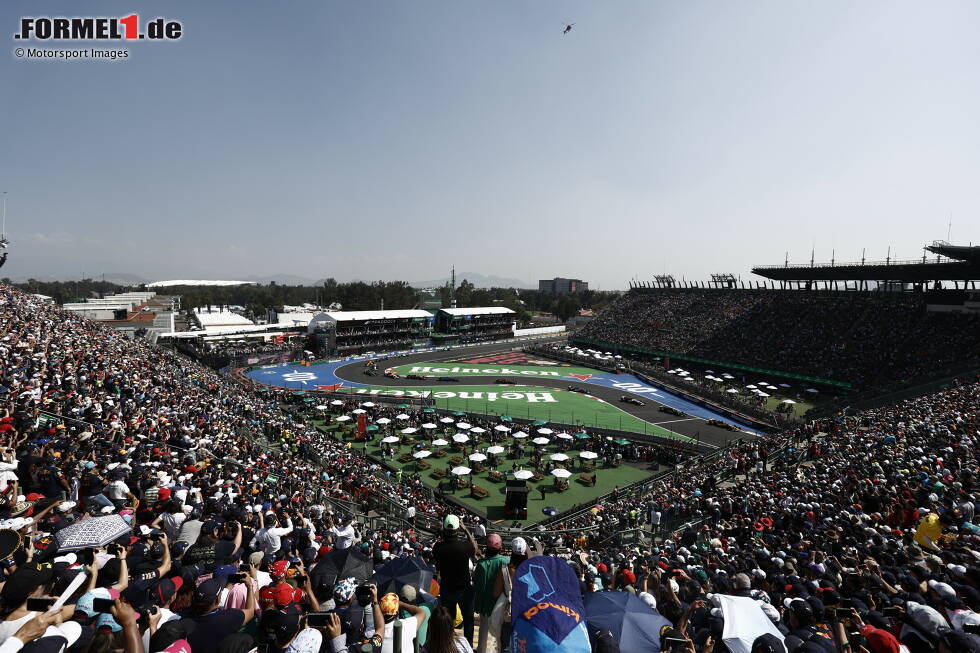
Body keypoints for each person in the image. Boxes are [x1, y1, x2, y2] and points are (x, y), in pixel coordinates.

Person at [432, 515, 479, 647]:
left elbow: (440, 547)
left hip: (447, 589)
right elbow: (475, 548)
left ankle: (447, 645)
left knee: (447, 619)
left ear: (444, 530)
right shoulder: (464, 547)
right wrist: (466, 530)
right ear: (458, 530)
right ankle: (468, 646)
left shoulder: (438, 547)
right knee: (468, 620)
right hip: (464, 590)